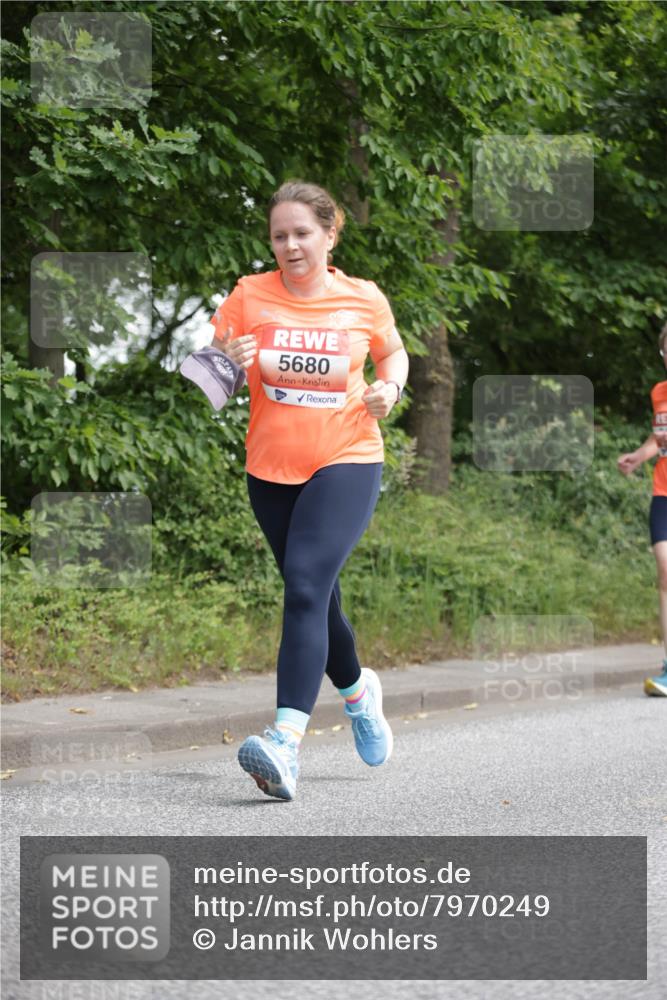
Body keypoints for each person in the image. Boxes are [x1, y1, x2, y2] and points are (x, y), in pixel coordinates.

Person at [207, 179, 410, 799]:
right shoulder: (249, 295)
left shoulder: (361, 297)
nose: (290, 245)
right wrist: (228, 358)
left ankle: (284, 743)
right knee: (317, 599)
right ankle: (357, 694)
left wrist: (389, 390)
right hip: (269, 469)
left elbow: (394, 354)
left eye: (302, 233)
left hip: (348, 457)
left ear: (330, 233)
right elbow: (210, 377)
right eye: (279, 235)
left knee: (302, 586)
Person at [617, 320, 667, 697]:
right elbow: (659, 437)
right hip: (663, 491)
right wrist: (639, 455)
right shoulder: (659, 392)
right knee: (665, 569)